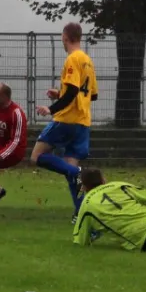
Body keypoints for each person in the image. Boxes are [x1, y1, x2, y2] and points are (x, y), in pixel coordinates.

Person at [31, 22, 98, 224]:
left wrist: (50, 109)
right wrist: (59, 93)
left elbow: (72, 92)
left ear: (65, 36)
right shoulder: (87, 60)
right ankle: (81, 213)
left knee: (37, 156)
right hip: (83, 122)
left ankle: (77, 173)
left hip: (67, 120)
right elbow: (91, 95)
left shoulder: (72, 59)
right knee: (71, 170)